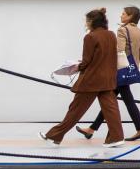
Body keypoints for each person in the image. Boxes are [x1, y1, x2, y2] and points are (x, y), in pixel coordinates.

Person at [41, 8, 124, 145]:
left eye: (87, 21)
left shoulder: (90, 37)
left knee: (75, 109)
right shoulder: (110, 35)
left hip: (91, 81)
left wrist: (76, 66)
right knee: (111, 109)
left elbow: (87, 61)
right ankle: (116, 137)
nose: (85, 23)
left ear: (92, 21)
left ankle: (54, 135)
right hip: (108, 79)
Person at [75, 6, 140, 142]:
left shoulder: (123, 30)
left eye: (123, 14)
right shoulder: (139, 32)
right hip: (130, 69)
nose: (121, 16)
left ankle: (139, 130)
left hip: (119, 70)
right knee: (114, 100)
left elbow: (119, 50)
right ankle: (93, 129)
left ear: (130, 17)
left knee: (110, 101)